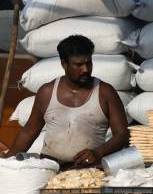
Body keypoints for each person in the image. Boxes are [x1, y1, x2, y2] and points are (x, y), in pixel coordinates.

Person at [1, 35, 129, 169]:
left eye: (88, 63)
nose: (85, 69)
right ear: (64, 64)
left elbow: (122, 134)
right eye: (78, 65)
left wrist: (98, 152)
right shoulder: (47, 92)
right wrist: (8, 159)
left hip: (88, 170)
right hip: (49, 167)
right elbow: (29, 131)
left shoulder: (105, 92)